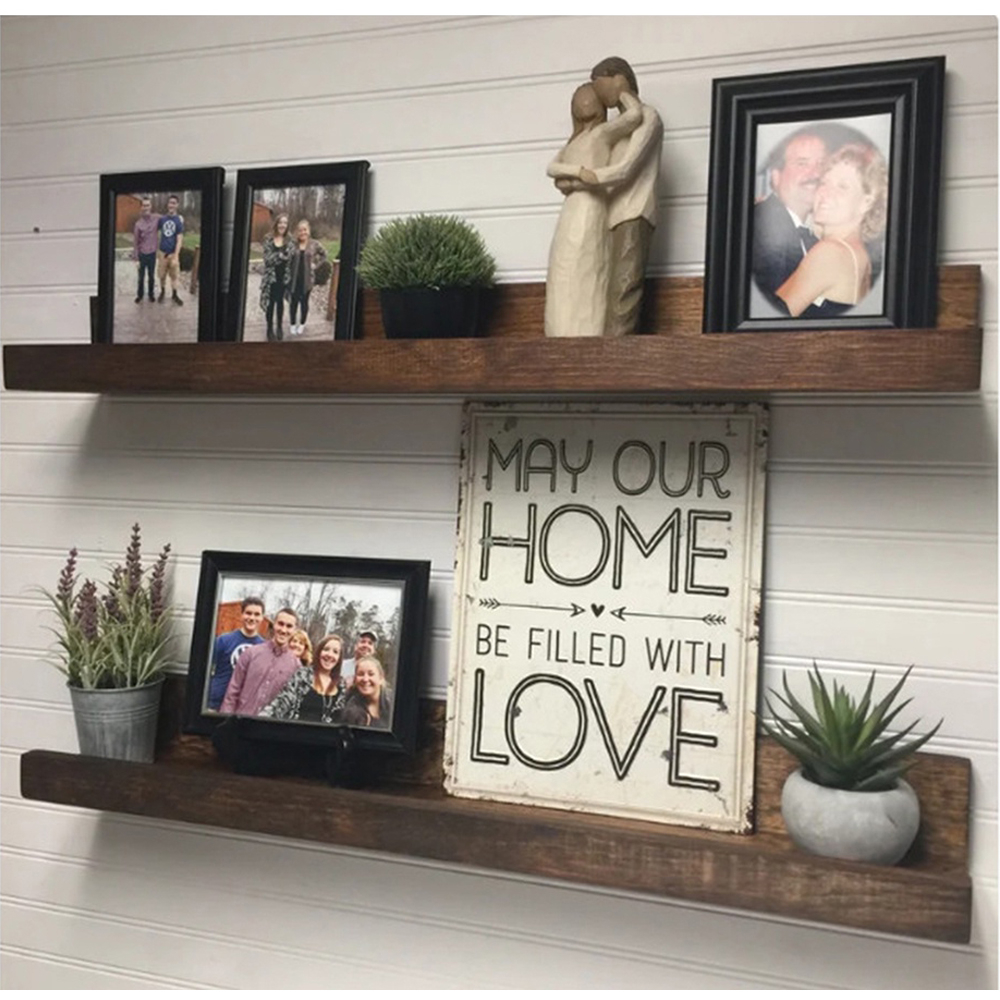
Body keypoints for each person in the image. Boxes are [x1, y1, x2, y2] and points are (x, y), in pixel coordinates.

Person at [552, 57, 663, 337]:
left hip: (633, 211)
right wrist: (577, 178)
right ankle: (601, 351)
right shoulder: (613, 130)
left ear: (618, 79)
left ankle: (614, 355)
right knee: (602, 288)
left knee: (624, 290)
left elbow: (626, 168)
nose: (599, 96)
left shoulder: (648, 117)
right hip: (608, 214)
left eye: (601, 87)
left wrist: (587, 177)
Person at [544, 83, 642, 338]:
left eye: (589, 98)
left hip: (591, 209)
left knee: (588, 266)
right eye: (578, 100)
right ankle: (559, 331)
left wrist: (618, 90)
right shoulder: (574, 141)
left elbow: (634, 115)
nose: (583, 104)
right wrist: (580, 173)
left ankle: (587, 334)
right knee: (564, 269)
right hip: (572, 209)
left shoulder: (603, 133)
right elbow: (552, 168)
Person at [774, 142, 888, 319]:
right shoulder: (856, 252)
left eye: (842, 186)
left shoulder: (830, 252)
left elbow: (768, 319)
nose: (825, 193)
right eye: (824, 182)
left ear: (866, 202)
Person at [751, 126, 829, 310]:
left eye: (821, 164)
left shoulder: (817, 236)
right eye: (802, 163)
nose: (816, 174)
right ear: (776, 177)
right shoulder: (757, 226)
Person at [219, 606, 300, 716]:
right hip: (241, 720)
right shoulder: (250, 653)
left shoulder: (296, 666)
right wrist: (225, 720)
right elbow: (232, 692)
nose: (283, 630)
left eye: (289, 626)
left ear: (295, 630)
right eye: (280, 624)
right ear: (274, 624)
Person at [260, 633, 347, 725]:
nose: (330, 654)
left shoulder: (341, 684)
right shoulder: (303, 675)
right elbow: (283, 701)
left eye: (335, 652)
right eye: (326, 649)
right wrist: (262, 718)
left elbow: (338, 718)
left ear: (339, 658)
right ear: (319, 652)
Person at [206, 596, 267, 711]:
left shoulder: (265, 649)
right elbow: (207, 670)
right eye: (248, 613)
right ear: (241, 615)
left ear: (262, 617)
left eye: (257, 614)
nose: (252, 618)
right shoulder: (223, 640)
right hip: (215, 704)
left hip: (244, 708)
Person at [286, 219, 327, 336]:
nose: (302, 232)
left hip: (307, 280)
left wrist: (315, 265)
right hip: (294, 279)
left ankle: (302, 324)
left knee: (304, 303)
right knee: (293, 303)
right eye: (300, 230)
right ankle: (292, 324)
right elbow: (286, 258)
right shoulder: (293, 244)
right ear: (297, 232)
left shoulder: (314, 244)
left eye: (304, 230)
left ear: (308, 231)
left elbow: (324, 254)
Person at [260, 213, 291, 342]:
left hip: (283, 277)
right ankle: (269, 328)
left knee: (280, 302)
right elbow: (267, 259)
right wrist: (280, 256)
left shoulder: (289, 240)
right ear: (276, 224)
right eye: (280, 222)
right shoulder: (268, 239)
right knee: (270, 303)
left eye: (285, 223)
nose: (282, 225)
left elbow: (291, 258)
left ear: (287, 225)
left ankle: (279, 327)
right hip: (271, 277)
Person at [342, 655, 393, 729]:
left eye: (371, 674)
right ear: (355, 679)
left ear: (381, 678)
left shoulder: (393, 702)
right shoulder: (350, 713)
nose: (365, 679)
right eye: (360, 674)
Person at [156, 194, 185, 305]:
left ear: (177, 205)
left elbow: (179, 239)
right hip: (162, 253)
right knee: (161, 275)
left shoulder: (178, 221)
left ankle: (174, 294)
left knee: (174, 276)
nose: (171, 205)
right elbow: (158, 232)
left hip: (173, 254)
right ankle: (162, 292)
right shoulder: (162, 219)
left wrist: (176, 255)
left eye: (173, 203)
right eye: (169, 203)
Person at [132, 197, 159, 304]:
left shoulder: (156, 218)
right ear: (141, 207)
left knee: (151, 276)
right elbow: (135, 242)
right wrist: (136, 258)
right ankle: (140, 295)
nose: (146, 207)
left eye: (148, 205)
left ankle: (151, 295)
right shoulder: (138, 224)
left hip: (152, 253)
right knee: (141, 277)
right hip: (142, 254)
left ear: (151, 206)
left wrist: (178, 218)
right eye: (144, 205)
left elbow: (168, 219)